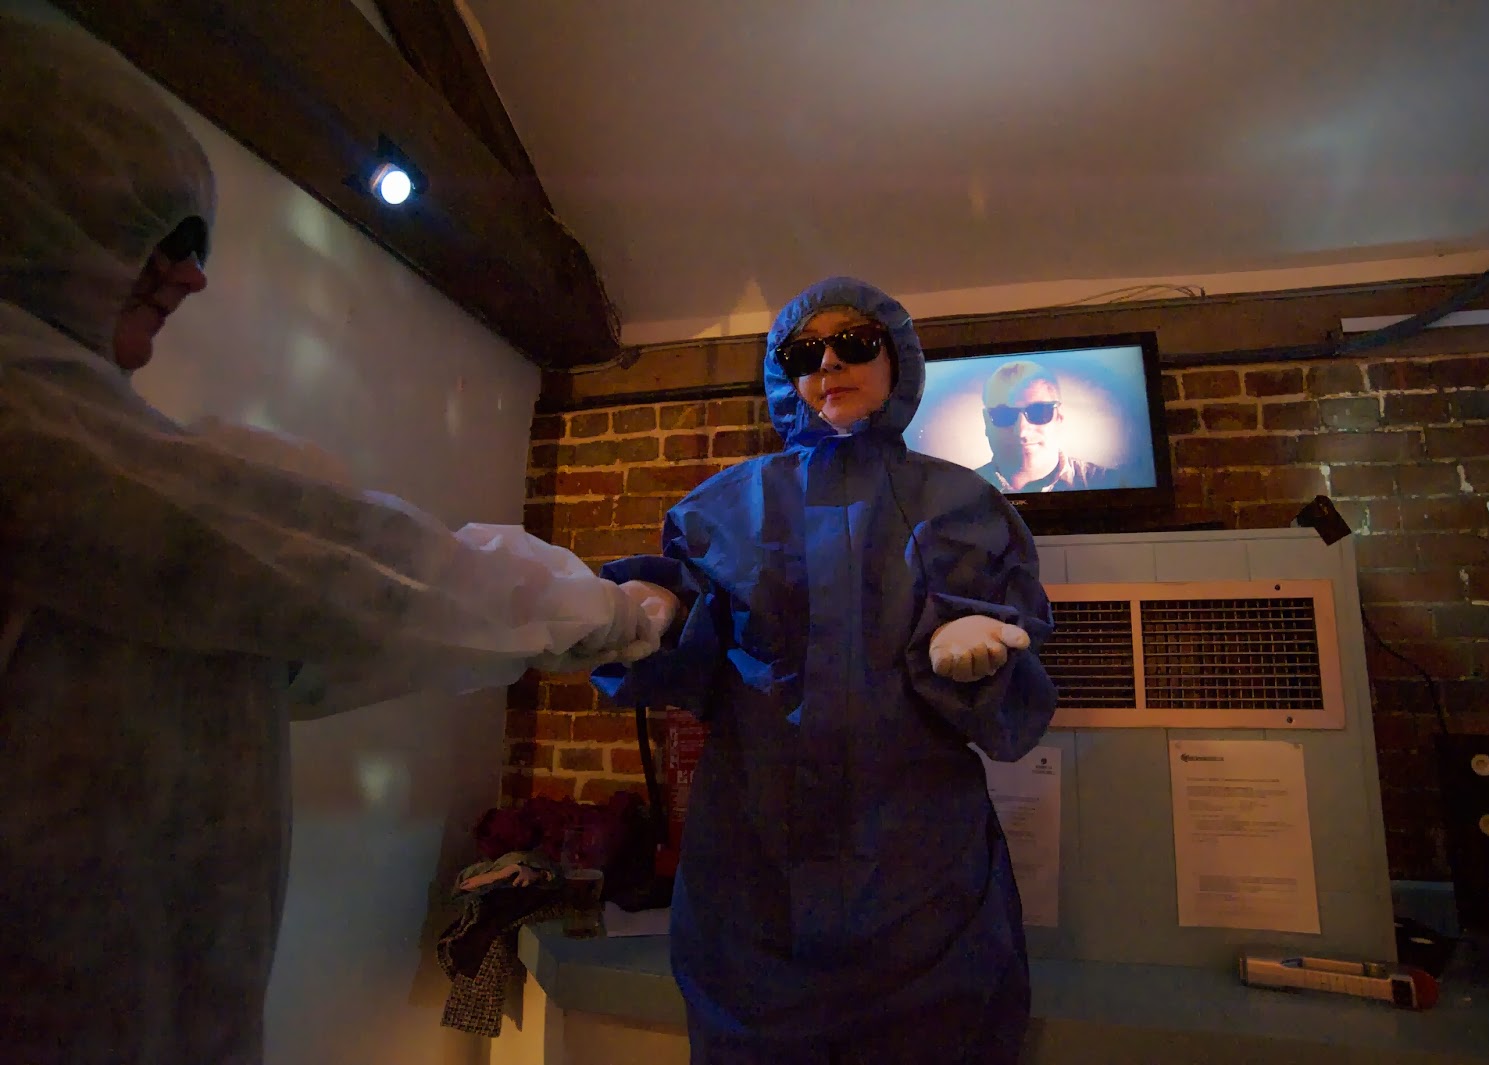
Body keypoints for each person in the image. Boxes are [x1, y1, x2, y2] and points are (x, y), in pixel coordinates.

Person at [0, 16, 659, 1065]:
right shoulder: (60, 456)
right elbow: (365, 578)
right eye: (166, 235)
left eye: (198, 244)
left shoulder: (105, 467)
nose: (193, 278)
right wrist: (615, 614)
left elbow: (314, 627)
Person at [592, 276, 1059, 1063]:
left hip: (923, 893)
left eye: (855, 342)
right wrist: (659, 610)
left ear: (897, 358)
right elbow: (687, 666)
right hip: (753, 890)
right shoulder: (723, 509)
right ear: (785, 377)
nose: (831, 362)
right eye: (804, 353)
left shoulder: (962, 504)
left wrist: (978, 649)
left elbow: (1013, 709)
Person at [973, 358, 1121, 492]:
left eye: (1038, 412)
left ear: (1059, 417)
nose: (1022, 431)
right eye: (1004, 415)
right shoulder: (961, 490)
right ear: (986, 422)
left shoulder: (1113, 484)